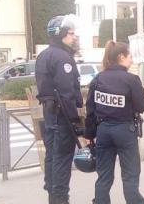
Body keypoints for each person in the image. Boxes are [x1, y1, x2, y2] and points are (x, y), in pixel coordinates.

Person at [85, 41, 144, 204]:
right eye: (130, 56)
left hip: (103, 131)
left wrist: (89, 134)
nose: (132, 60)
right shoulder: (131, 79)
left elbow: (90, 109)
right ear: (121, 57)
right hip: (124, 131)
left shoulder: (98, 78)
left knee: (104, 176)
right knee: (130, 175)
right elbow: (143, 105)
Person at [35, 14, 82, 204]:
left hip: (49, 114)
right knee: (62, 159)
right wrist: (75, 121)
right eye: (71, 33)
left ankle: (52, 196)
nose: (74, 37)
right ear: (61, 34)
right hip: (62, 115)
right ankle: (61, 199)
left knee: (52, 156)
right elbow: (66, 93)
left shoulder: (44, 55)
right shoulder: (63, 57)